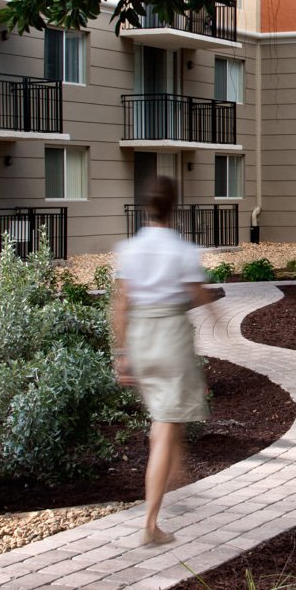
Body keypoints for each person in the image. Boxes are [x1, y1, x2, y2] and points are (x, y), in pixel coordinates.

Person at [110, 176, 213, 546]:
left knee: (164, 421)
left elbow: (121, 305)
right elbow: (198, 295)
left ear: (146, 207)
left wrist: (122, 355)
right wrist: (213, 307)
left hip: (140, 337)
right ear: (174, 208)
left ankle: (173, 466)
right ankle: (150, 525)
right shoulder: (182, 250)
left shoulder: (130, 249)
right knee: (166, 426)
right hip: (170, 336)